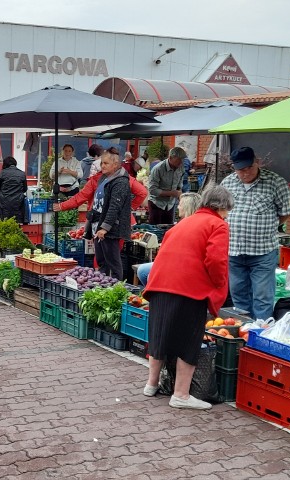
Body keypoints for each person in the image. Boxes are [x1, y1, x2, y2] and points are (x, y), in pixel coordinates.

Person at [142, 186, 233, 410]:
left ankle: (151, 384)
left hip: (161, 283)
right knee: (187, 340)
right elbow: (216, 261)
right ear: (222, 208)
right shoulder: (217, 225)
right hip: (189, 289)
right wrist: (220, 284)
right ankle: (181, 395)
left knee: (160, 334)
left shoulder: (184, 222)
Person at [221, 146, 290, 320]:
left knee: (262, 298)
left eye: (249, 168)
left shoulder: (276, 182)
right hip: (234, 251)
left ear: (257, 163)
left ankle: (260, 336)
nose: (245, 173)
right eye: (240, 170)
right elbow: (220, 211)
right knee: (239, 296)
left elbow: (286, 211)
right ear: (234, 168)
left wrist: (271, 225)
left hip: (263, 251)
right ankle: (243, 333)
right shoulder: (227, 183)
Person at [77, 147, 131, 279]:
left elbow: (115, 206)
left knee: (113, 261)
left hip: (111, 229)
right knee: (101, 261)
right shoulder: (103, 178)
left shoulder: (121, 182)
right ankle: (103, 284)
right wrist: (90, 226)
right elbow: (97, 202)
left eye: (106, 163)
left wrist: (105, 228)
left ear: (116, 165)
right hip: (98, 225)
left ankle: (118, 287)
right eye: (101, 163)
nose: (102, 166)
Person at [136, 192, 202, 286]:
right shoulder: (183, 223)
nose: (178, 207)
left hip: (182, 264)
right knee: (142, 270)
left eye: (180, 205)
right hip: (174, 260)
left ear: (187, 207)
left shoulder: (191, 225)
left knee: (147, 273)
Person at [147, 146, 185, 225]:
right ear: (170, 158)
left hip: (170, 204)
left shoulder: (181, 168)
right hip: (156, 203)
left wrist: (180, 194)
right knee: (156, 230)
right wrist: (171, 193)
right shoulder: (158, 169)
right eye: (178, 159)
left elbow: (179, 185)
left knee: (168, 229)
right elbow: (152, 190)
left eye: (182, 159)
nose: (181, 162)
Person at [0, 156, 27, 221]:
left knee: (2, 222)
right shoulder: (22, 174)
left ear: (5, 164)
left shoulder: (3, 172)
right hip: (17, 203)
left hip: (4, 203)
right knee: (15, 222)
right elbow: (25, 189)